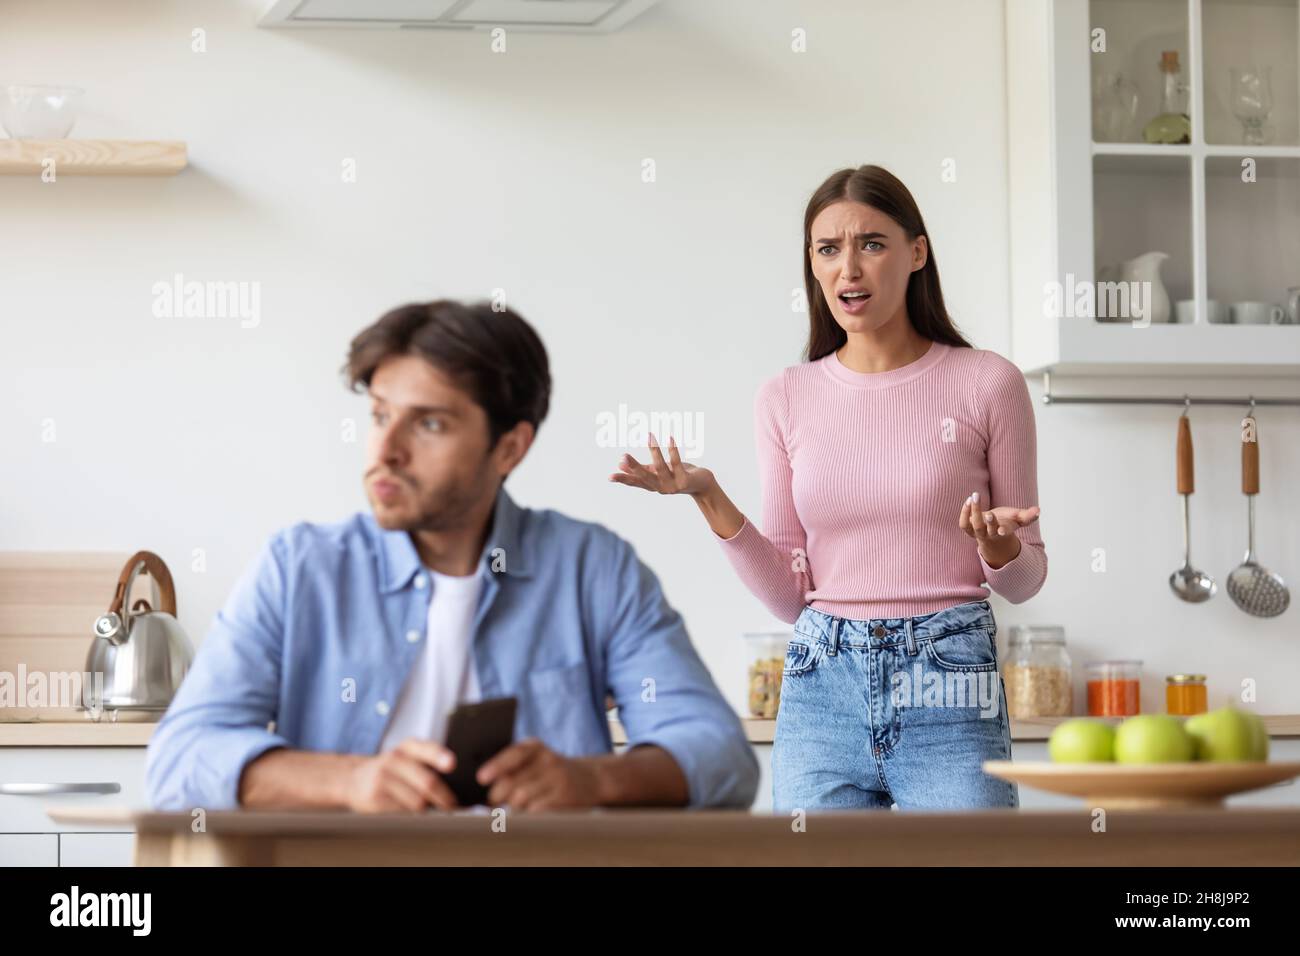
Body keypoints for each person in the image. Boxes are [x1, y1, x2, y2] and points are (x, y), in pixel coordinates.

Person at [146, 300, 758, 813]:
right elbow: (179, 760)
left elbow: (721, 756)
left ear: (509, 447)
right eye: (380, 415)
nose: (385, 449)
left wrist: (589, 779)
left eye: (428, 424)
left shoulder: (592, 568)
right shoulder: (298, 569)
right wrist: (350, 782)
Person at [611, 165, 1046, 811]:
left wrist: (1002, 549)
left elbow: (1026, 578)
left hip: (950, 679)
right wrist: (708, 496)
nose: (849, 268)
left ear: (916, 252)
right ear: (812, 266)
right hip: (823, 682)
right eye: (828, 249)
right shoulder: (786, 396)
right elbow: (790, 599)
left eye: (872, 243)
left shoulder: (988, 383)